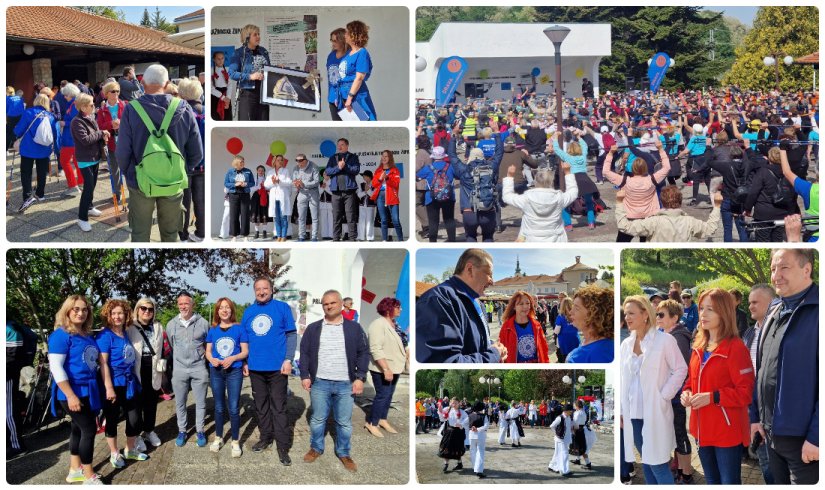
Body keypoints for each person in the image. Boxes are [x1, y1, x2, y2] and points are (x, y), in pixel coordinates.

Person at [750, 249, 818, 484]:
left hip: (805, 443)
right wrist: (756, 417)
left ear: (806, 269)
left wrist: (818, 436)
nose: (776, 275)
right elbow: (762, 370)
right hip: (771, 435)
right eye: (772, 268)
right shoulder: (775, 309)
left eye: (784, 267)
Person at [116, 64, 203, 242]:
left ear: (143, 83)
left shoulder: (131, 110)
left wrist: (132, 176)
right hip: (173, 182)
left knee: (140, 234)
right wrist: (181, 170)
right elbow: (197, 153)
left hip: (140, 183)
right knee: (171, 235)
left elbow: (122, 153)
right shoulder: (184, 108)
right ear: (167, 83)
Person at [680, 288, 754, 484]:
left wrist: (713, 397)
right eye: (702, 308)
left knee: (728, 482)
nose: (703, 314)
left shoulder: (736, 348)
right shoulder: (698, 345)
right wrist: (686, 393)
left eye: (710, 309)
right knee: (712, 482)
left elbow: (746, 393)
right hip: (700, 429)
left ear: (724, 312)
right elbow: (690, 381)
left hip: (726, 432)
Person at [620, 295, 687, 485]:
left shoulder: (664, 340)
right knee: (647, 463)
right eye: (626, 314)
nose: (627, 317)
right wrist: (621, 410)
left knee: (657, 464)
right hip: (634, 415)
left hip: (655, 412)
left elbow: (681, 369)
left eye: (631, 313)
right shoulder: (625, 345)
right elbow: (623, 379)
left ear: (645, 315)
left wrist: (664, 395)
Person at [300, 290, 369, 472]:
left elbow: (363, 353)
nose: (329, 306)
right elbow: (305, 353)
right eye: (325, 304)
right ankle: (316, 448)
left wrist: (360, 377)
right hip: (320, 382)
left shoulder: (354, 328)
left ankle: (344, 452)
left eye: (332, 303)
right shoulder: (314, 328)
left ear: (341, 304)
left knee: (344, 422)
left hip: (346, 383)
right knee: (317, 419)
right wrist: (305, 376)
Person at [48, 295, 104, 484]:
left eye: (84, 309)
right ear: (67, 311)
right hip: (71, 392)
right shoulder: (60, 335)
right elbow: (56, 368)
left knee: (77, 429)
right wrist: (71, 395)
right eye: (76, 309)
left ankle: (75, 469)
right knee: (89, 429)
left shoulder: (86, 334)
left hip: (89, 390)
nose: (81, 313)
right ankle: (89, 477)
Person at [241, 276, 297, 465]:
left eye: (265, 288)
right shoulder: (248, 312)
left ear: (272, 289)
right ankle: (265, 438)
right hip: (256, 368)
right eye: (258, 289)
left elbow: (291, 335)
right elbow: (244, 340)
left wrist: (288, 359)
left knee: (279, 408)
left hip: (277, 368)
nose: (262, 291)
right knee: (261, 407)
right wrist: (245, 362)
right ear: (254, 291)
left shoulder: (282, 308)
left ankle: (283, 447)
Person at [416, 249, 508, 363]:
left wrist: (493, 346)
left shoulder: (476, 302)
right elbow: (446, 362)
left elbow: (475, 344)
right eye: (489, 274)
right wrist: (493, 355)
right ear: (470, 269)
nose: (492, 281)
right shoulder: (439, 300)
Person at [96, 299, 148, 468]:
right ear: (108, 315)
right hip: (113, 383)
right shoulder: (105, 336)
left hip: (129, 383)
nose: (117, 317)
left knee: (134, 418)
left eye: (121, 313)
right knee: (111, 419)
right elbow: (103, 363)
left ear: (126, 315)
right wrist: (108, 387)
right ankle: (114, 453)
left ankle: (130, 449)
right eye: (114, 313)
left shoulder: (124, 333)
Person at [655, 299, 694, 484]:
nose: (658, 318)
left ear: (674, 317)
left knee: (680, 435)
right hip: (668, 396)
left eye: (661, 315)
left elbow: (681, 369)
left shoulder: (678, 338)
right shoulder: (664, 334)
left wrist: (668, 392)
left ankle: (686, 473)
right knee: (674, 434)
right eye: (657, 314)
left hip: (676, 396)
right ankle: (680, 470)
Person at [446, 119, 504, 242]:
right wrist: (496, 132)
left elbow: (451, 154)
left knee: (471, 237)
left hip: (469, 212)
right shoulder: (491, 167)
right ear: (483, 156)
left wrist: (454, 135)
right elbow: (499, 153)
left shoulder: (464, 169)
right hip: (488, 210)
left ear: (470, 157)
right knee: (488, 237)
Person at [165, 292, 210, 448]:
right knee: (180, 403)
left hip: (199, 368)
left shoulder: (203, 323)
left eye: (186, 303)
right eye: (180, 304)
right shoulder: (171, 325)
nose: (183, 306)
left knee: (201, 402)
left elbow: (207, 345)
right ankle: (182, 430)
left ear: (192, 305)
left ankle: (200, 430)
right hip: (179, 369)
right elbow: (172, 346)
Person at [205, 298, 248, 457]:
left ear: (231, 310)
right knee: (218, 406)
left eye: (227, 307)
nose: (224, 310)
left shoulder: (239, 329)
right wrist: (211, 359)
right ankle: (218, 437)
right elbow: (207, 351)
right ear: (217, 311)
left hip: (234, 372)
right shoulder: (213, 330)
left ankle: (235, 441)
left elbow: (245, 351)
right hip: (216, 372)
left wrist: (234, 358)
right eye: (221, 308)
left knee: (234, 407)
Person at [742, 284, 776, 484]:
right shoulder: (749, 333)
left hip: (773, 407)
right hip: (753, 406)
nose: (750, 306)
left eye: (755, 302)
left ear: (771, 302)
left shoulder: (781, 333)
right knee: (764, 458)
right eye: (749, 302)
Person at [502, 162, 578, 241]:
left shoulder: (526, 199)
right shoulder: (559, 198)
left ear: (535, 182)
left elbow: (507, 196)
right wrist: (568, 173)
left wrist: (509, 176)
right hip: (556, 240)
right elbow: (573, 192)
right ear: (551, 182)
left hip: (530, 240)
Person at [615, 185, 721, 242]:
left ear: (662, 201)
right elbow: (710, 229)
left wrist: (620, 202)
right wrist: (717, 206)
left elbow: (624, 226)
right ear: (680, 201)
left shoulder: (653, 221)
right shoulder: (689, 221)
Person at [365, 297, 406, 437]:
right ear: (388, 308)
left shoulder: (395, 324)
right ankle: (372, 423)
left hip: (395, 366)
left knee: (389, 395)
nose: (401, 309)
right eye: (398, 307)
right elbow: (375, 348)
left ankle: (383, 419)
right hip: (383, 367)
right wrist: (386, 369)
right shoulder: (378, 324)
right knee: (382, 395)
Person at [128, 298, 164, 452]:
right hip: (137, 370)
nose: (147, 311)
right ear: (137, 309)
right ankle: (136, 435)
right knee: (136, 406)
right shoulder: (130, 327)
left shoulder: (158, 327)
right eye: (143, 308)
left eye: (150, 309)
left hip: (154, 370)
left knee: (151, 403)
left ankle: (149, 430)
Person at [13, 93, 58, 213]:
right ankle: (40, 194)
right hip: (44, 149)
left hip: (28, 148)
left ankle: (27, 196)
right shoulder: (51, 116)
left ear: (36, 101)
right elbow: (54, 134)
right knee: (41, 172)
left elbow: (19, 130)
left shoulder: (28, 112)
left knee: (26, 173)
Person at [69, 93, 108, 232]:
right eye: (91, 104)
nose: (94, 106)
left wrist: (103, 136)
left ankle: (90, 207)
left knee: (92, 185)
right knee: (88, 187)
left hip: (94, 157)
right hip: (85, 159)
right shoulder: (76, 121)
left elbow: (96, 134)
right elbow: (85, 140)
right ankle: (82, 218)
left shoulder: (90, 117)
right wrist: (101, 132)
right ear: (83, 107)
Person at [742, 147, 796, 242]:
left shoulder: (763, 172)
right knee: (778, 240)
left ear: (769, 157)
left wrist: (747, 208)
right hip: (782, 211)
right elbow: (793, 193)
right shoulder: (788, 173)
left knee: (763, 240)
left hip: (764, 213)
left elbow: (753, 192)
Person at [177, 78, 206, 242]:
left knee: (184, 203)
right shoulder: (206, 111)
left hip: (186, 165)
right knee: (200, 201)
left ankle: (184, 234)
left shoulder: (182, 113)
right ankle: (201, 232)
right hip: (203, 166)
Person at [553, 129, 598, 230]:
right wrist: (578, 136)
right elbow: (585, 146)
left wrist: (555, 137)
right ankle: (591, 222)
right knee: (589, 202)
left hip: (573, 180)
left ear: (569, 150)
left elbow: (557, 149)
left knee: (565, 203)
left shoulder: (568, 157)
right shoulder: (583, 157)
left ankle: (568, 224)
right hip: (585, 180)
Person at [336, 21, 377, 120]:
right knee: (351, 122)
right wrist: (339, 96)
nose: (344, 35)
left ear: (353, 34)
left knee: (363, 121)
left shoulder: (362, 53)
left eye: (346, 32)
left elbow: (359, 78)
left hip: (356, 97)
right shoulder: (349, 53)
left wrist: (350, 98)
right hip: (345, 95)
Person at [228, 24, 270, 121]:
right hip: (248, 94)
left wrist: (277, 69)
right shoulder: (238, 53)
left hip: (263, 94)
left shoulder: (263, 51)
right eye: (255, 34)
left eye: (259, 34)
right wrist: (250, 76)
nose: (258, 37)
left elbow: (267, 70)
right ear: (247, 37)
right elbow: (232, 73)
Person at [497, 291, 550, 363]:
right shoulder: (506, 327)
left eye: (527, 303)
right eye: (521, 304)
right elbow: (501, 352)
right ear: (514, 307)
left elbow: (544, 349)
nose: (525, 306)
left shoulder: (536, 325)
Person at [565, 285, 614, 363]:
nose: (571, 312)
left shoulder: (600, 354)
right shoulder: (592, 341)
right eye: (573, 306)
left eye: (576, 308)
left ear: (594, 314)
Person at [325, 138, 360, 241]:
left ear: (347, 146)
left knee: (351, 216)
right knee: (336, 216)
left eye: (342, 145)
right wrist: (338, 168)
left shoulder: (353, 157)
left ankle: (352, 238)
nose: (339, 147)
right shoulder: (333, 158)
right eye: (338, 145)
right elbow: (328, 171)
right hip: (336, 192)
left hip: (349, 192)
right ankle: (336, 238)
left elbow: (356, 170)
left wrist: (345, 166)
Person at [372, 150, 404, 241]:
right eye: (383, 156)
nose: (384, 158)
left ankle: (401, 240)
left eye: (386, 156)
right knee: (383, 220)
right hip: (380, 196)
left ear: (390, 158)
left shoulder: (395, 170)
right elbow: (374, 184)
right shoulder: (378, 170)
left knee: (395, 220)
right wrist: (380, 179)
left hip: (392, 196)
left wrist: (387, 178)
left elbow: (396, 184)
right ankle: (384, 240)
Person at [224, 155, 255, 241]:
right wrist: (235, 184)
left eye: (243, 162)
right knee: (234, 215)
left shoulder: (248, 171)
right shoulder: (230, 172)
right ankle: (234, 236)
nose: (243, 163)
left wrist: (246, 184)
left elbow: (252, 183)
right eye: (241, 162)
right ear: (236, 163)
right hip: (233, 195)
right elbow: (226, 183)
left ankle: (245, 236)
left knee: (245, 215)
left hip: (245, 194)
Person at [292, 153, 320, 241]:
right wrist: (296, 184)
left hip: (313, 193)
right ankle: (301, 236)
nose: (298, 162)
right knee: (301, 217)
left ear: (305, 160)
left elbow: (316, 182)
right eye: (297, 160)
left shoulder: (314, 166)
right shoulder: (296, 168)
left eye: (300, 160)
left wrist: (304, 184)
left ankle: (314, 236)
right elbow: (294, 181)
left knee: (314, 217)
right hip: (302, 193)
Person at [265, 154, 293, 242]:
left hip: (283, 197)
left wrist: (279, 181)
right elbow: (266, 185)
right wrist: (273, 182)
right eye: (278, 160)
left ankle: (284, 235)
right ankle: (278, 235)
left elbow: (289, 182)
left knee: (283, 217)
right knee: (276, 218)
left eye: (281, 160)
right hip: (274, 197)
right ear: (274, 161)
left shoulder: (286, 171)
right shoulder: (270, 172)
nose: (280, 161)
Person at [440, 398, 468, 472]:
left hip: (458, 432)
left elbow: (467, 419)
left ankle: (459, 463)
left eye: (455, 403)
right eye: (453, 403)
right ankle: (446, 464)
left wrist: (461, 424)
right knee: (446, 448)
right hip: (449, 431)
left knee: (457, 448)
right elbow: (443, 418)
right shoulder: (448, 410)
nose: (454, 404)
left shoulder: (462, 412)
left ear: (459, 403)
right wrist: (440, 411)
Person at [326, 28, 347, 121]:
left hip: (348, 99)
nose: (333, 43)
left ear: (343, 41)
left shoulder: (350, 56)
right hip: (333, 99)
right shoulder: (331, 56)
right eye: (332, 40)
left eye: (335, 41)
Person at [548, 404, 574, 477]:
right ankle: (564, 471)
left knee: (557, 453)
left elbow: (569, 427)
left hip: (566, 439)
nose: (571, 412)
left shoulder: (569, 417)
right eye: (570, 411)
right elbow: (552, 426)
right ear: (566, 411)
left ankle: (551, 466)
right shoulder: (560, 418)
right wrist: (556, 433)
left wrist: (572, 431)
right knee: (565, 454)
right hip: (560, 439)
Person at [468, 401, 490, 478]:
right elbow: (487, 426)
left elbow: (466, 424)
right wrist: (478, 429)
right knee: (480, 452)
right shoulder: (484, 416)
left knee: (473, 451)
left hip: (471, 435)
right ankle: (479, 470)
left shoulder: (470, 415)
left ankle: (475, 467)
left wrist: (472, 428)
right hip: (480, 435)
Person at [571, 400, 593, 469]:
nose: (573, 406)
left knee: (581, 447)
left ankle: (588, 464)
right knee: (577, 446)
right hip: (581, 430)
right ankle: (578, 460)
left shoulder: (578, 413)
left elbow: (576, 423)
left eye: (574, 405)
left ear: (577, 406)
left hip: (577, 430)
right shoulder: (583, 412)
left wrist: (573, 431)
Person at [210, 52, 231, 121]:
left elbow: (230, 85)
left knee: (227, 118)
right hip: (215, 97)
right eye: (218, 59)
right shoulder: (210, 71)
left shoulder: (228, 70)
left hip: (226, 96)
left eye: (222, 58)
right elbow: (210, 88)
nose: (220, 60)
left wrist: (228, 98)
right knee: (216, 117)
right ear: (214, 59)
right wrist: (222, 97)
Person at [6, 86, 25, 152]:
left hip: (12, 117)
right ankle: (21, 145)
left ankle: (6, 149)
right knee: (20, 130)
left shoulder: (7, 99)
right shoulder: (20, 97)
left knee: (8, 132)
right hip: (20, 116)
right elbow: (23, 106)